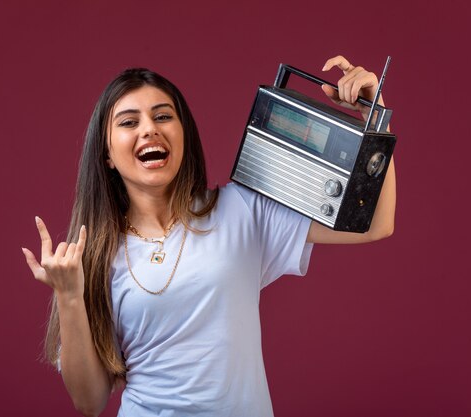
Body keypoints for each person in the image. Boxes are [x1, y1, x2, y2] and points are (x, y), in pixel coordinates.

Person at [21, 55, 396, 417]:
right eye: (129, 122)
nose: (149, 129)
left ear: (182, 135)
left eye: (163, 116)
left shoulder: (244, 209)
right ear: (107, 154)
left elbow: (375, 224)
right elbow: (90, 402)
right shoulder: (93, 255)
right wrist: (69, 296)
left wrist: (374, 116)